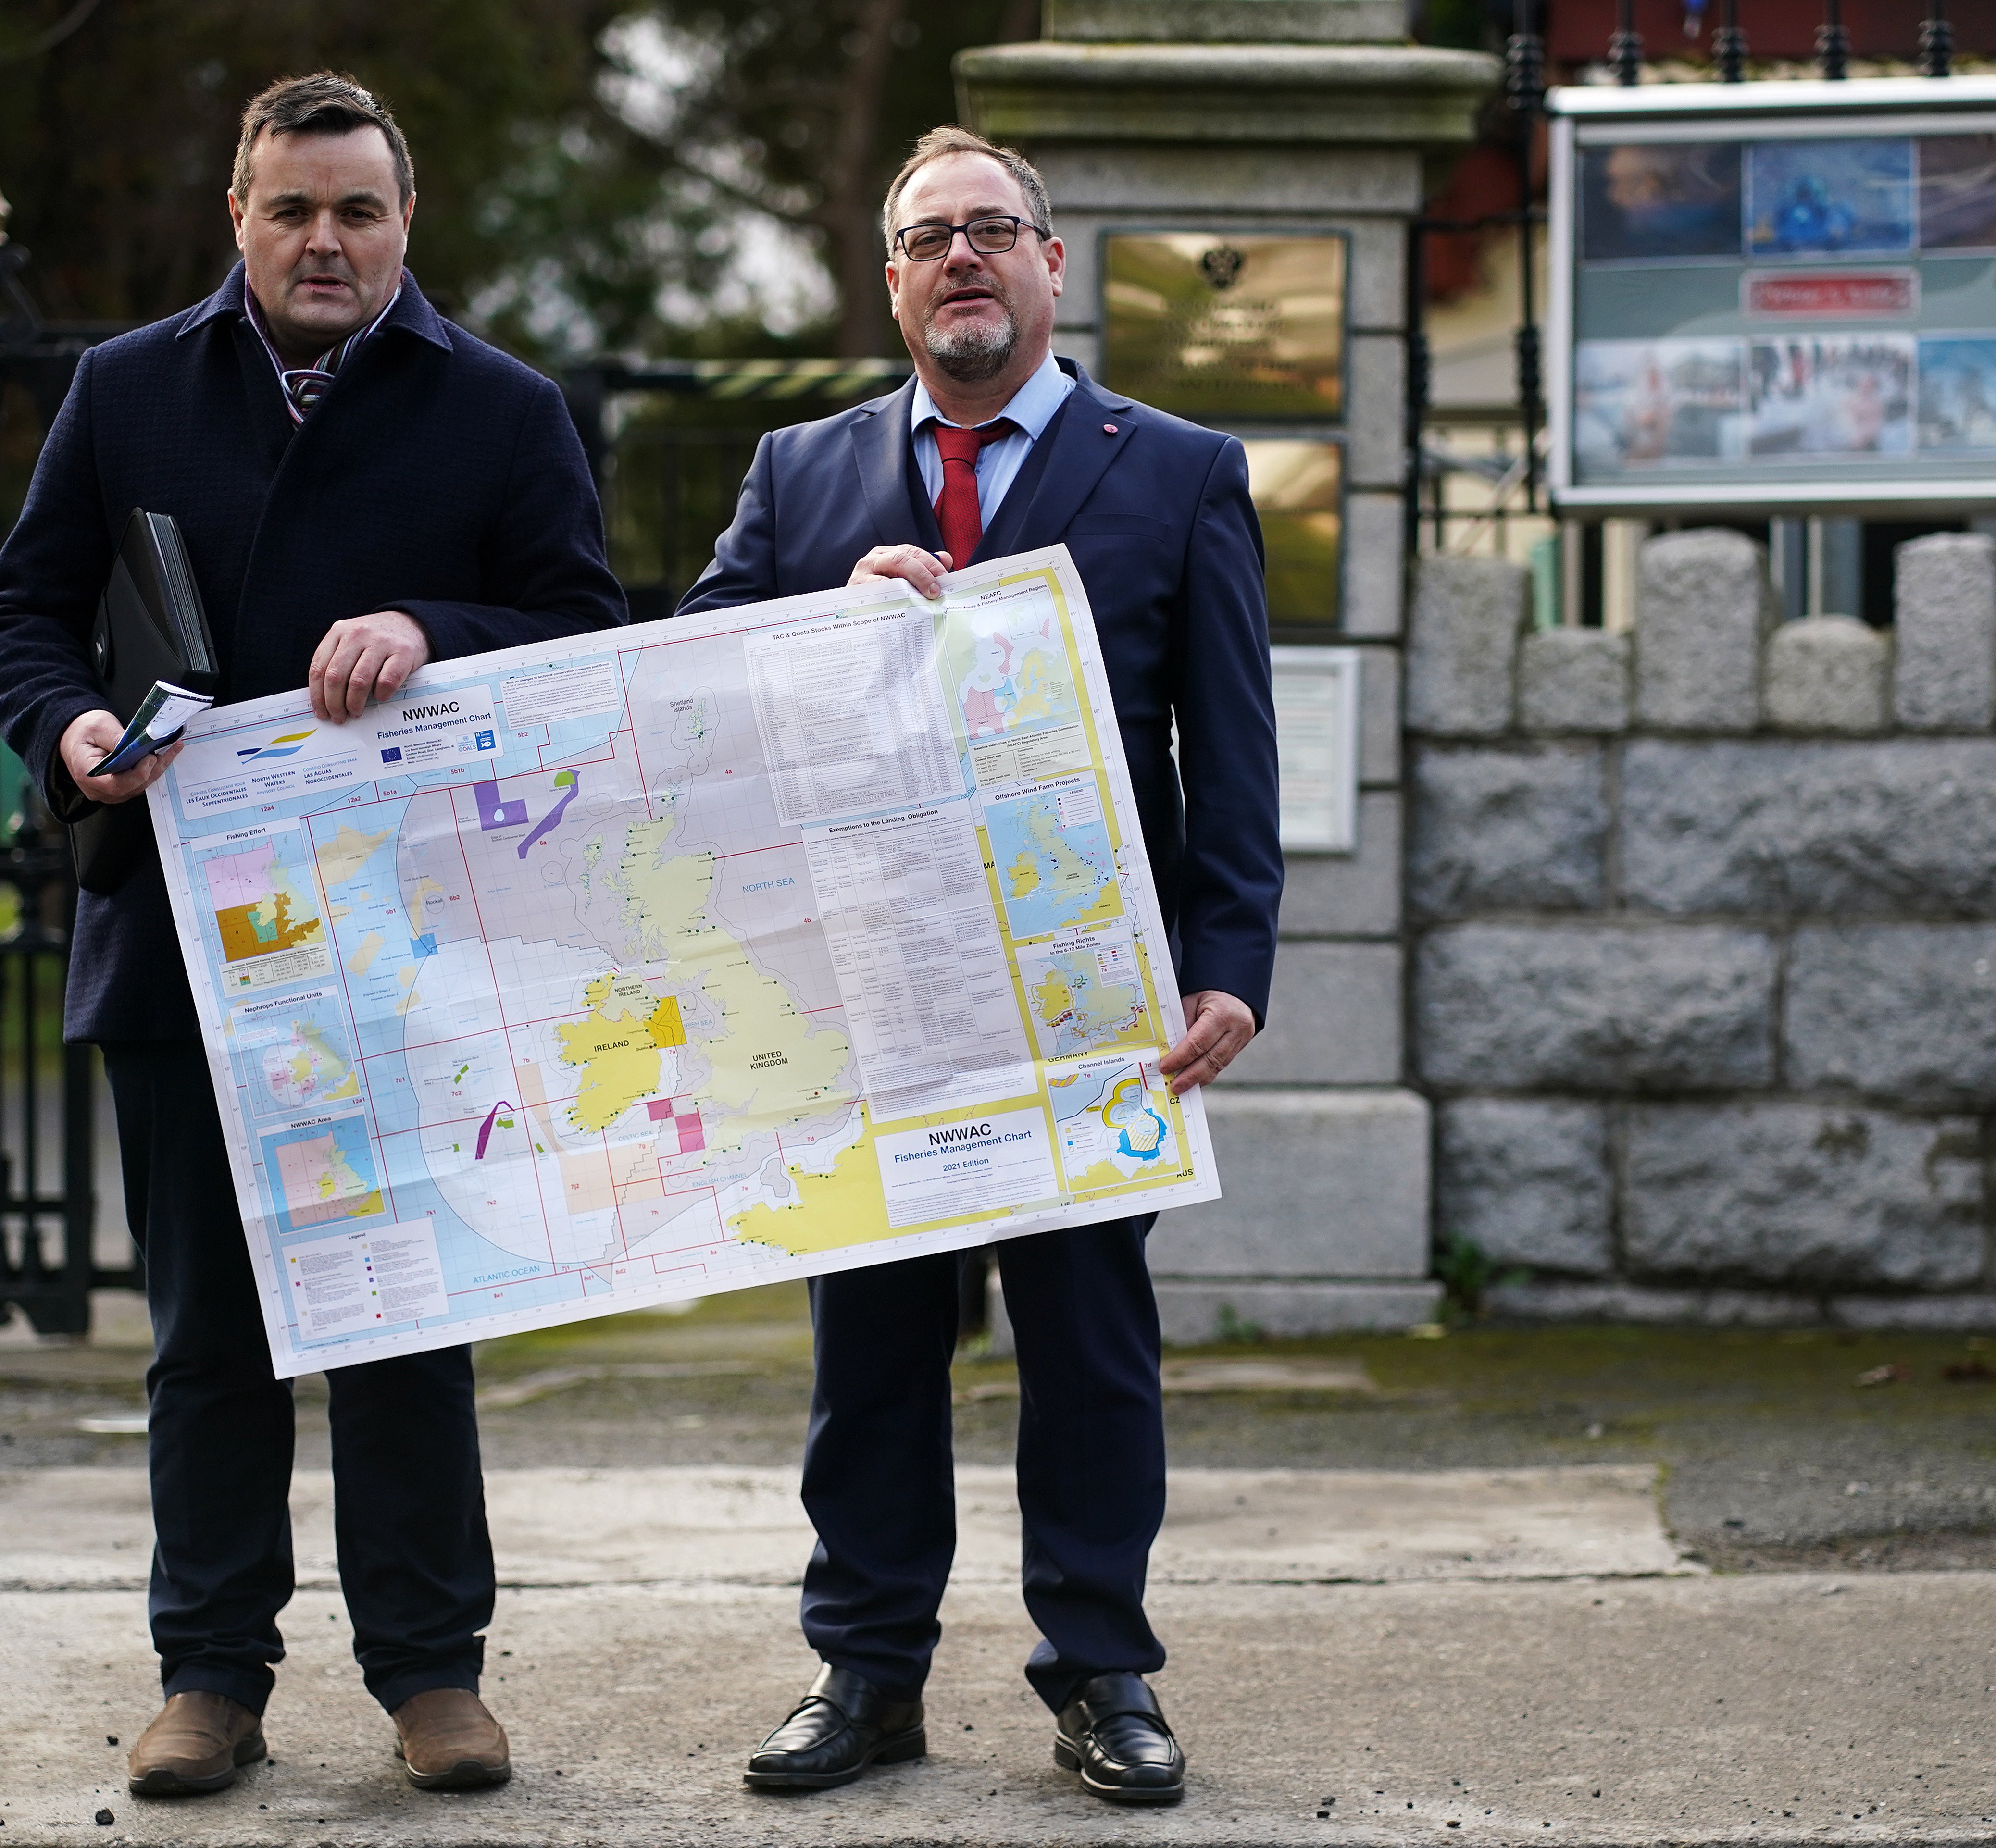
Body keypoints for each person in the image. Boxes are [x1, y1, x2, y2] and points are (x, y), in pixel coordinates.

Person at [0, 72, 624, 1799]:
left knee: (406, 1316)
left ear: (407, 223)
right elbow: (22, 612)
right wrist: (66, 734)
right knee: (207, 1335)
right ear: (239, 221)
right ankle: (211, 1676)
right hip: (180, 944)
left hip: (414, 951)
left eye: (357, 210)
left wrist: (428, 624)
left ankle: (432, 1678)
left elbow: (578, 634)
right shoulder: (127, 390)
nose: (324, 239)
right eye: (292, 210)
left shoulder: (503, 407)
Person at [676, 124, 1282, 1809]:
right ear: (890, 281)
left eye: (992, 230)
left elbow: (1231, 744)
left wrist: (1232, 959)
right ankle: (867, 1674)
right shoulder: (804, 475)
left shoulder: (1174, 468)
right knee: (868, 1347)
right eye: (928, 235)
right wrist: (822, 619)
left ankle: (1103, 1673)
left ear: (1049, 263)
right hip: (867, 1003)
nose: (962, 258)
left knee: (1088, 1342)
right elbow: (700, 692)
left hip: (1096, 1007)